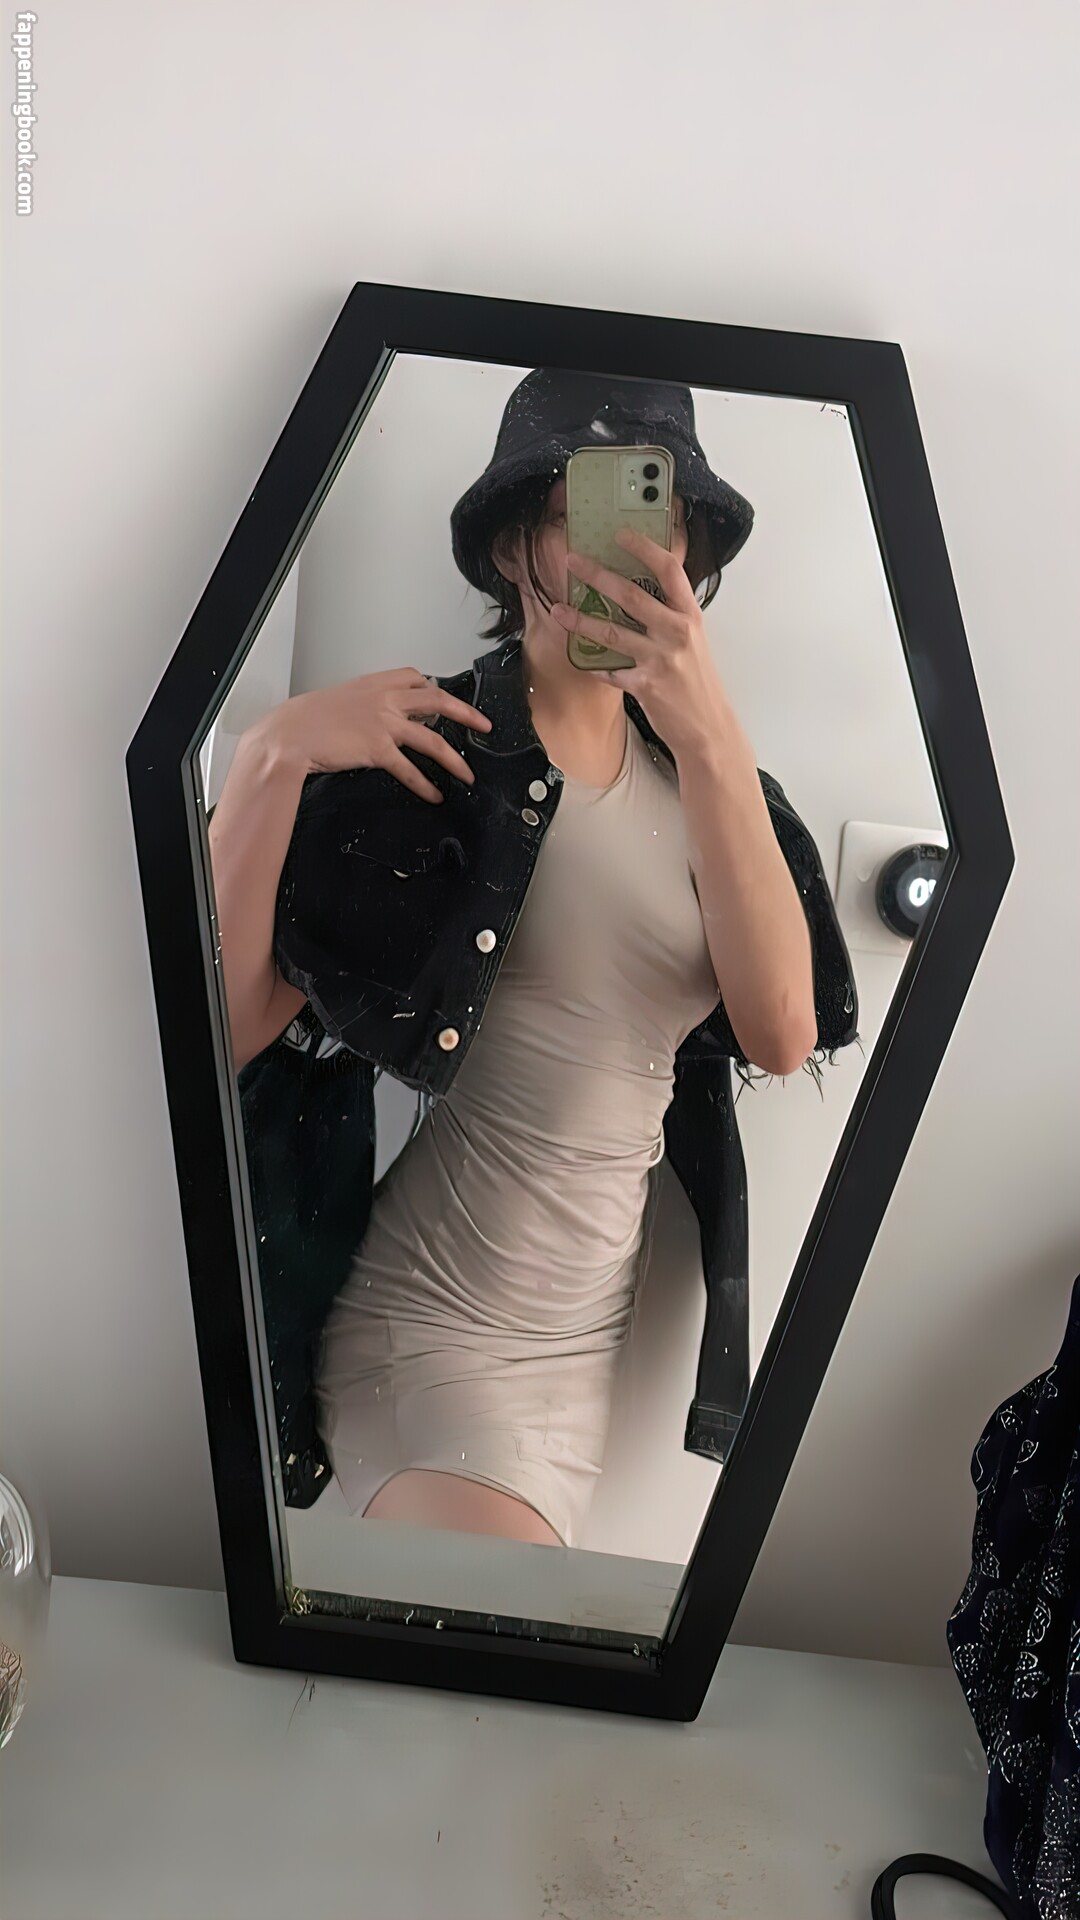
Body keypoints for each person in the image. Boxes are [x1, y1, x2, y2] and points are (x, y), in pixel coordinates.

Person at [208, 369, 855, 1549]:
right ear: (514, 550)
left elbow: (780, 1031)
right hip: (431, 1330)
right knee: (493, 1657)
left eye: (660, 521)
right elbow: (223, 1030)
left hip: (581, 1355)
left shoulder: (719, 793)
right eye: (589, 517)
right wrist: (270, 759)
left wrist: (709, 726)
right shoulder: (433, 759)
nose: (634, 555)